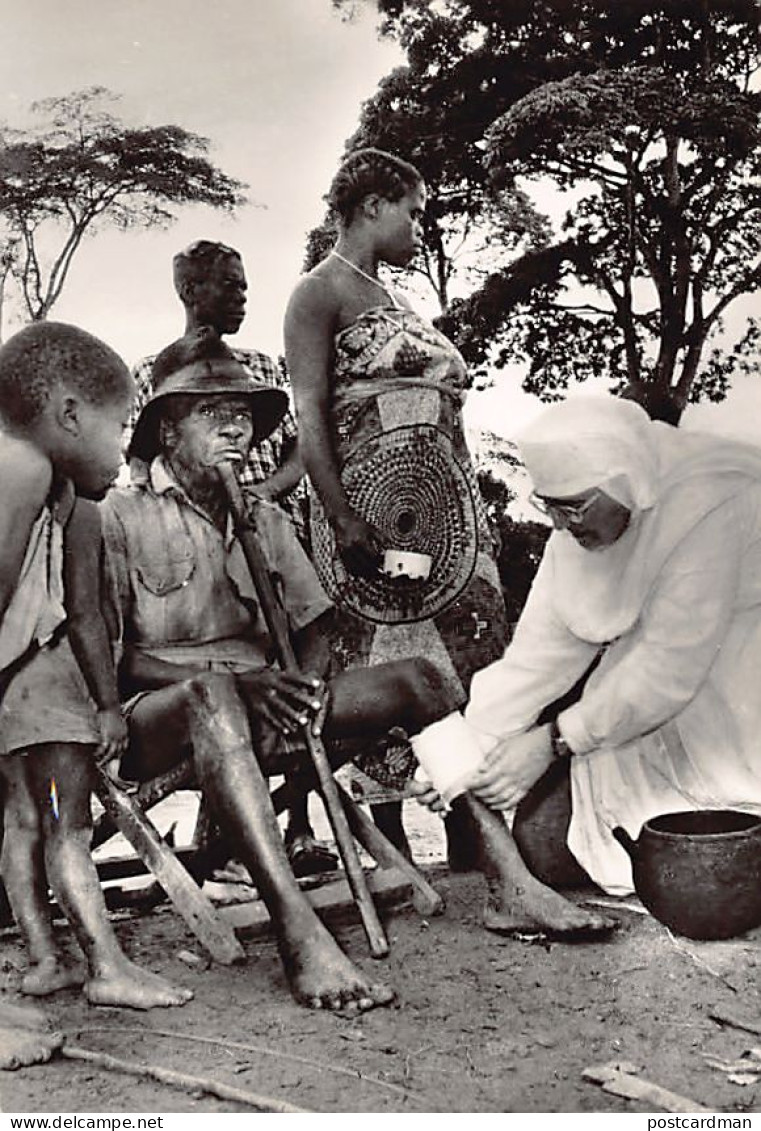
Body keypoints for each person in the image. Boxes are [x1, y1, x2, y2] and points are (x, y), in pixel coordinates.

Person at [101, 328, 461, 1010]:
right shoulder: (116, 517)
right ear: (168, 430)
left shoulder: (262, 517)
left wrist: (304, 690)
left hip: (265, 712)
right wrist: (239, 685)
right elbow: (117, 662)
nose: (237, 427)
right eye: (214, 413)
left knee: (422, 679)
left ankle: (508, 881)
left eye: (245, 413)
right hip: (163, 716)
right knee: (211, 695)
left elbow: (314, 627)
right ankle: (299, 930)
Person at [422, 394, 761, 898]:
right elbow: (536, 657)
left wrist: (554, 740)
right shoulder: (573, 533)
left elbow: (670, 666)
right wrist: (471, 748)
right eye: (550, 506)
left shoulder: (713, 497)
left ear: (627, 481)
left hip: (736, 691)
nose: (562, 525)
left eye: (574, 506)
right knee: (545, 848)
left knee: (718, 862)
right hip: (634, 706)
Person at [284, 148, 508, 865]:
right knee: (381, 659)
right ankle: (389, 854)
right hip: (374, 514)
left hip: (445, 518)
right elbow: (311, 416)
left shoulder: (393, 298)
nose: (420, 228)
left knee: (466, 660)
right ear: (372, 204)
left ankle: (473, 832)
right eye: (413, 212)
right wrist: (344, 516)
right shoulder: (317, 293)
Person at [0, 322, 191, 1011]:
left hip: (11, 696)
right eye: (119, 428)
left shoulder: (68, 501)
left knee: (26, 820)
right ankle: (107, 966)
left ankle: (48, 959)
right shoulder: (23, 468)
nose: (121, 449)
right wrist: (108, 705)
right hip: (47, 691)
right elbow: (80, 616)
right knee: (68, 827)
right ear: (70, 415)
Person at [132, 239, 331, 875]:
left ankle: (293, 826)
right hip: (179, 547)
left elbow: (298, 444)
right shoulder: (152, 372)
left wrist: (262, 495)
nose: (240, 296)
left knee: (288, 657)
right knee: (219, 684)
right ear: (191, 291)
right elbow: (139, 463)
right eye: (228, 286)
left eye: (245, 286)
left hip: (261, 526)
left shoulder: (261, 363)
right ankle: (243, 855)